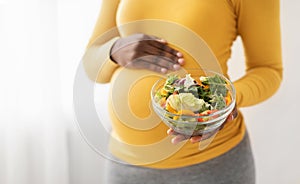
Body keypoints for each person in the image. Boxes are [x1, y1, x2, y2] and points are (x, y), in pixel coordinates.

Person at [82, 0, 283, 183]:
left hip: (209, 164)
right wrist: (114, 50)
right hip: (125, 164)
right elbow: (92, 65)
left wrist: (222, 104)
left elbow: (268, 70)